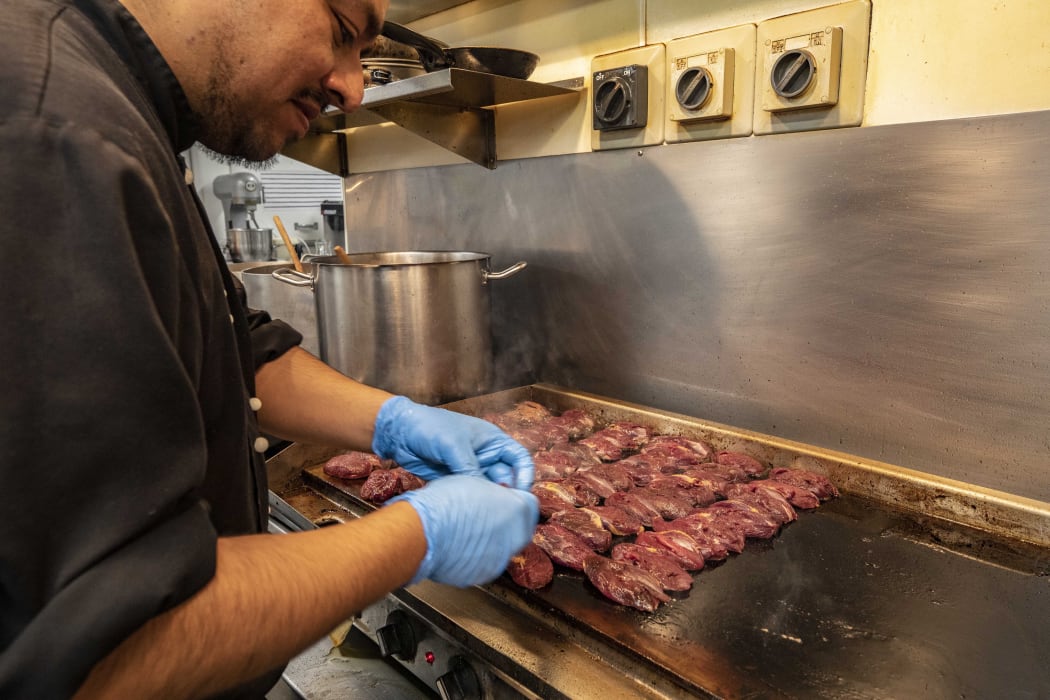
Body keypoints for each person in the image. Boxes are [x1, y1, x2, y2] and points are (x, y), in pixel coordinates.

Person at [0, 0, 540, 697]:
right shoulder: (54, 131)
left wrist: (388, 418)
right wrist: (417, 537)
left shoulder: (118, 101)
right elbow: (119, 645)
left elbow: (232, 343)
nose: (354, 86)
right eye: (346, 35)